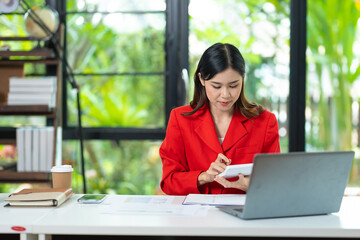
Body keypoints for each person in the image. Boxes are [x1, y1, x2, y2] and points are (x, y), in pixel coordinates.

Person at [160, 43, 280, 195]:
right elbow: (169, 182)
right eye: (216, 86)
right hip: (196, 216)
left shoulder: (264, 121)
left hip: (243, 215)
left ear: (242, 80)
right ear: (201, 80)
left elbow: (276, 181)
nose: (225, 95)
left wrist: (254, 185)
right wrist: (203, 177)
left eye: (233, 85)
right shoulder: (180, 119)